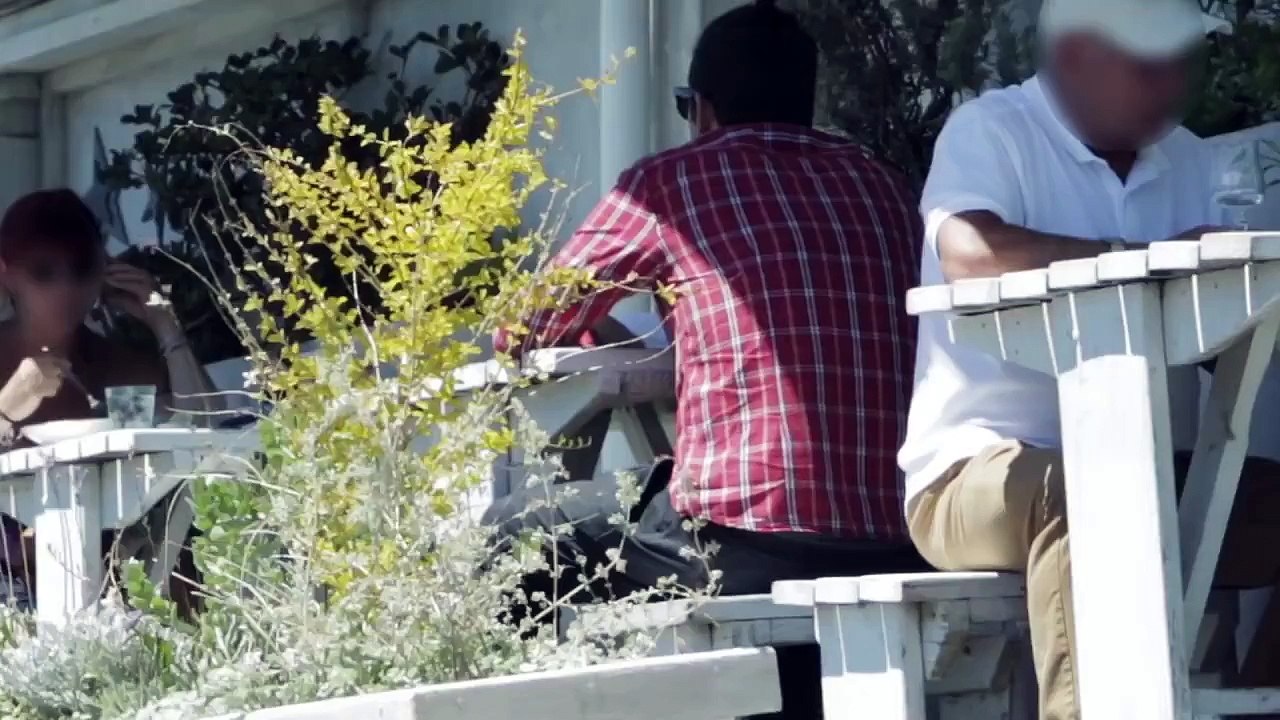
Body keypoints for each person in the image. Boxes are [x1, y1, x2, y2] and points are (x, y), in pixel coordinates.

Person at [487, 1, 926, 716]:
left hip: (744, 534)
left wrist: (593, 330)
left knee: (517, 530)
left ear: (704, 109)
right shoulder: (885, 185)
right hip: (898, 530)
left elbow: (526, 324)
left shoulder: (669, 184)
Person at [901, 0, 1280, 717]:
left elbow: (1217, 336)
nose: (1173, 84)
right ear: (1078, 56)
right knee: (1092, 493)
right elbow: (969, 253)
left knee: (1131, 488)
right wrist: (1141, 259)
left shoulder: (1190, 157)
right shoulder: (993, 129)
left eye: (1181, 63)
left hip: (1151, 472)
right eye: (1150, 64)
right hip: (969, 473)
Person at [0, 188, 221, 611]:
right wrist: (9, 403)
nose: (66, 287)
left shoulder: (120, 367)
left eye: (82, 268)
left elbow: (208, 432)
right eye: (43, 272)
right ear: (7, 274)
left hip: (117, 577)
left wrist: (164, 323)